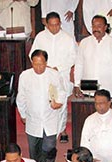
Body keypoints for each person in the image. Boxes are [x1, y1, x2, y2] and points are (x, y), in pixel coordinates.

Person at [17, 50, 66, 162]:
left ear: (46, 63)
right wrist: (23, 114)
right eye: (35, 64)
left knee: (49, 145)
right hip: (33, 118)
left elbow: (61, 92)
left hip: (50, 117)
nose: (38, 68)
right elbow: (21, 97)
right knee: (34, 149)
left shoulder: (54, 74)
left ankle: (50, 161)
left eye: (41, 64)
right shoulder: (25, 76)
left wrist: (58, 102)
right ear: (31, 62)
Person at [30, 11, 77, 143]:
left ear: (60, 23)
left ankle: (61, 131)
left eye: (57, 25)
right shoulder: (40, 37)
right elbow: (32, 55)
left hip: (61, 75)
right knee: (47, 103)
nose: (55, 28)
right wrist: (44, 67)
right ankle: (47, 131)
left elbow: (73, 57)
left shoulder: (67, 38)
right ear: (47, 24)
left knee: (61, 105)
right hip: (44, 74)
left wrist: (58, 67)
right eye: (52, 25)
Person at [74, 15, 112, 98]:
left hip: (109, 91)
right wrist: (76, 84)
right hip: (88, 91)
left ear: (105, 27)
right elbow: (79, 65)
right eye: (93, 26)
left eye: (99, 26)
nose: (96, 29)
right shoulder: (84, 43)